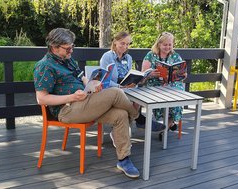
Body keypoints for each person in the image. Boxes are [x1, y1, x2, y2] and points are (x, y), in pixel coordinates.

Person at [33, 28, 140, 178]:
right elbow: (42, 99)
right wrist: (72, 97)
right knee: (116, 92)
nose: (71, 51)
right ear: (54, 47)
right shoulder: (45, 66)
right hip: (67, 110)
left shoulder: (68, 60)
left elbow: (81, 77)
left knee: (120, 114)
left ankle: (123, 159)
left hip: (84, 102)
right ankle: (136, 116)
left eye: (72, 46)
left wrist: (91, 84)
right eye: (68, 48)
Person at [100, 31, 165, 134]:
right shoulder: (107, 57)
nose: (125, 46)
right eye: (122, 43)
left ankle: (124, 128)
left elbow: (129, 74)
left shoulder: (128, 58)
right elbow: (104, 80)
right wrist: (119, 86)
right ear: (115, 42)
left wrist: (138, 80)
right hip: (114, 88)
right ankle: (139, 120)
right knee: (129, 97)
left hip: (127, 86)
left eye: (127, 44)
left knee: (141, 95)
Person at [141, 32, 187, 135]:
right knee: (160, 95)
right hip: (155, 83)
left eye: (170, 44)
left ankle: (165, 127)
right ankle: (169, 125)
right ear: (159, 44)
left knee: (177, 95)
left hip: (172, 84)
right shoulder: (150, 55)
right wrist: (151, 74)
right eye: (165, 44)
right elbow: (143, 74)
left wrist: (183, 74)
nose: (168, 47)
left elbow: (183, 72)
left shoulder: (175, 55)